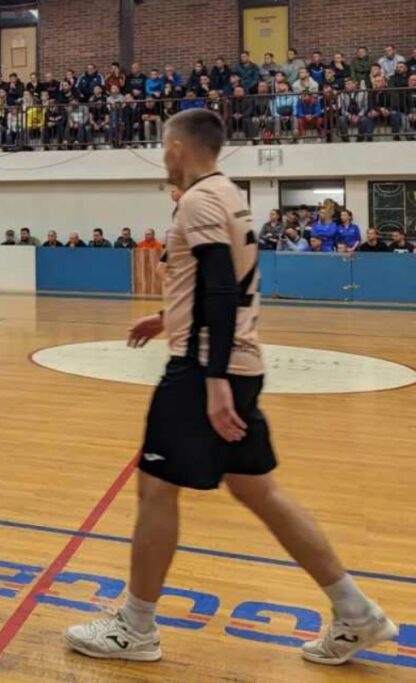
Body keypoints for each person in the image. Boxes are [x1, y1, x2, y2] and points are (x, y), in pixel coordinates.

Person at [63, 108, 397, 666]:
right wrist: (166, 319)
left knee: (155, 490)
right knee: (258, 491)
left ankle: (136, 627)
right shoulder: (229, 195)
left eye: (163, 146)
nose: (162, 156)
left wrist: (214, 379)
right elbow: (220, 285)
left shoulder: (197, 200)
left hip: (203, 369)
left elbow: (220, 287)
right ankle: (356, 612)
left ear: (177, 146)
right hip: (237, 360)